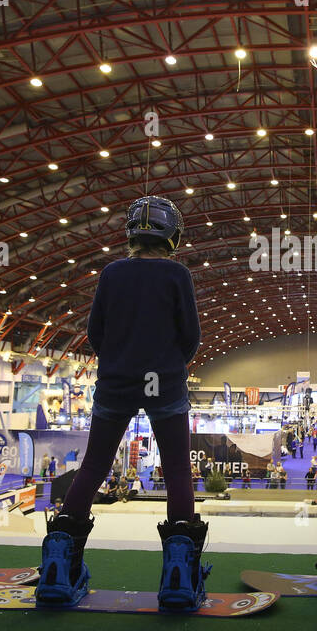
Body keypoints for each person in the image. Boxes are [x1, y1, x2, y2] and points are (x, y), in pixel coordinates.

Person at [37, 196, 206, 610]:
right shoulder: (177, 274)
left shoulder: (112, 273)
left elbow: (95, 330)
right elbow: (191, 335)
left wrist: (119, 363)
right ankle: (178, 580)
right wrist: (165, 364)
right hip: (163, 382)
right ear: (172, 235)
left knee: (93, 466)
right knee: (178, 468)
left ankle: (59, 568)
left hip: (115, 383)